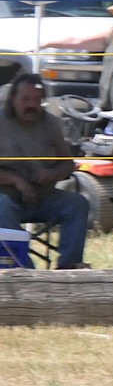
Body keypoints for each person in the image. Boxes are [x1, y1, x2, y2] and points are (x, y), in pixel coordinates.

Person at [0, 74, 90, 270]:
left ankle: (69, 267)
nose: (32, 105)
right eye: (25, 99)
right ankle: (24, 269)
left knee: (77, 203)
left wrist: (52, 174)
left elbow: (68, 164)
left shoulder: (51, 124)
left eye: (37, 100)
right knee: (2, 206)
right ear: (12, 98)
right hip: (7, 196)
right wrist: (16, 181)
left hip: (43, 196)